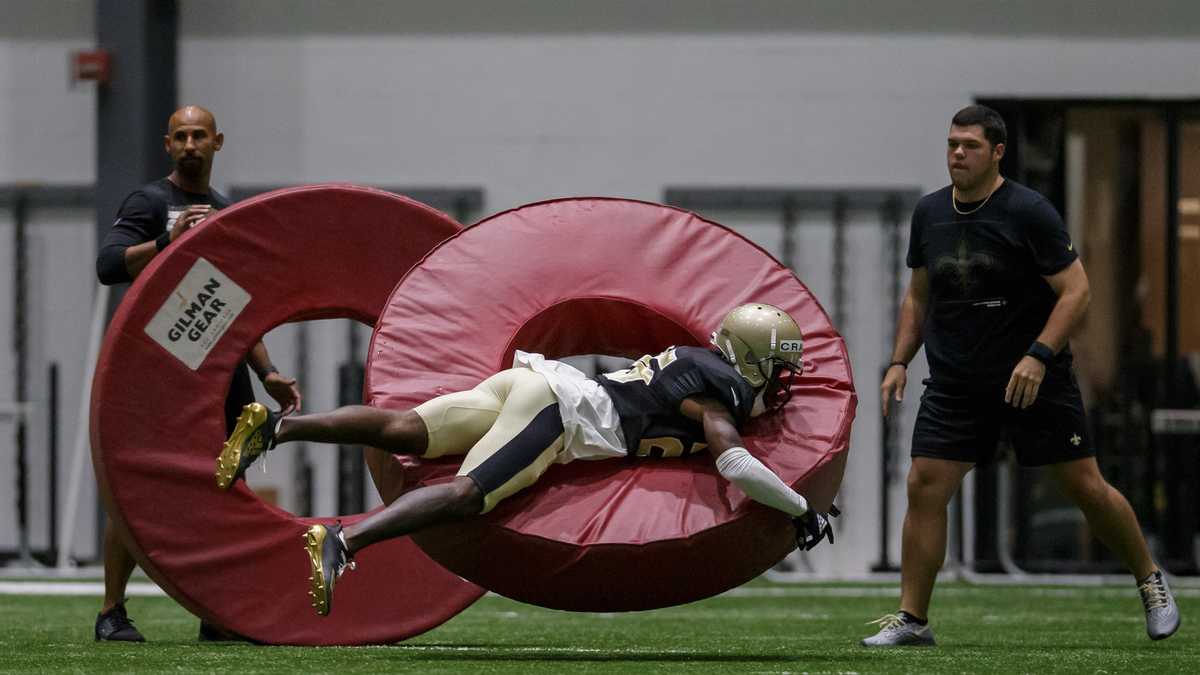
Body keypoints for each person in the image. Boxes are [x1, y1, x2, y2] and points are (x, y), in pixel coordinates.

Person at [217, 303, 839, 616]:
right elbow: (732, 464)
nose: (785, 381)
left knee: (407, 430)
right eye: (781, 367)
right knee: (467, 496)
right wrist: (800, 507)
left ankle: (278, 427)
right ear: (752, 359)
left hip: (536, 384)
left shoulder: (700, 365)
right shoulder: (721, 393)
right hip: (561, 412)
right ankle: (342, 542)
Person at [864, 105, 1180, 647]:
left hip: (1033, 377)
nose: (957, 154)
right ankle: (913, 620)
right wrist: (898, 361)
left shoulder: (1029, 211)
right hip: (956, 381)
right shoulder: (930, 213)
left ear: (998, 152)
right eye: (951, 144)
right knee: (924, 485)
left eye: (970, 145)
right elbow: (919, 296)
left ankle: (1151, 579)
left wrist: (1038, 354)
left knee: (1084, 487)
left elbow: (1077, 292)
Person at [95, 105, 302, 642]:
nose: (190, 144)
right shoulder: (148, 201)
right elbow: (107, 265)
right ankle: (111, 612)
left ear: (218, 142)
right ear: (168, 144)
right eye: (181, 136)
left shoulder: (228, 211)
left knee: (223, 485)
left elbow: (236, 305)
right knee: (136, 487)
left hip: (221, 369)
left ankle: (217, 611)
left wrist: (270, 373)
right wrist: (168, 242)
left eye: (199, 136)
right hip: (160, 368)